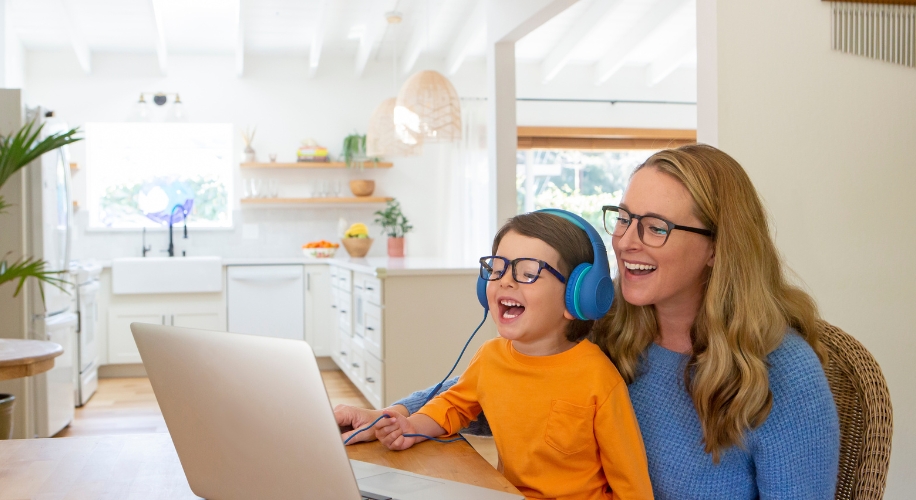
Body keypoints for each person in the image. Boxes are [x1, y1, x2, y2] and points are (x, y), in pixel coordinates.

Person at [335, 144, 841, 500]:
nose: (626, 242)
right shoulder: (613, 326)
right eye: (623, 218)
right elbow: (510, 390)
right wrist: (392, 414)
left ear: (717, 248)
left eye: (656, 227)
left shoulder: (784, 374)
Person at [371, 211, 654, 500]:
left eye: (528, 272)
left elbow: (630, 480)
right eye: (497, 269)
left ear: (577, 296)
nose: (506, 281)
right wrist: (412, 427)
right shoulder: (490, 357)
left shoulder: (599, 378)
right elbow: (453, 405)